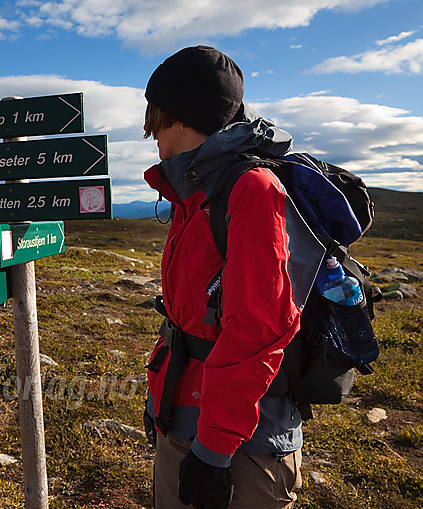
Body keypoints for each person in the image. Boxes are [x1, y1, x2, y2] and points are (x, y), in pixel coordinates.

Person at [142, 46, 305, 509]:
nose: (151, 130)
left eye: (155, 114)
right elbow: (185, 318)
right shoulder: (193, 191)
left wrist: (213, 451)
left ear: (178, 117)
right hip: (185, 414)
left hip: (243, 444)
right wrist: (161, 400)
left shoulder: (250, 189)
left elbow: (257, 331)